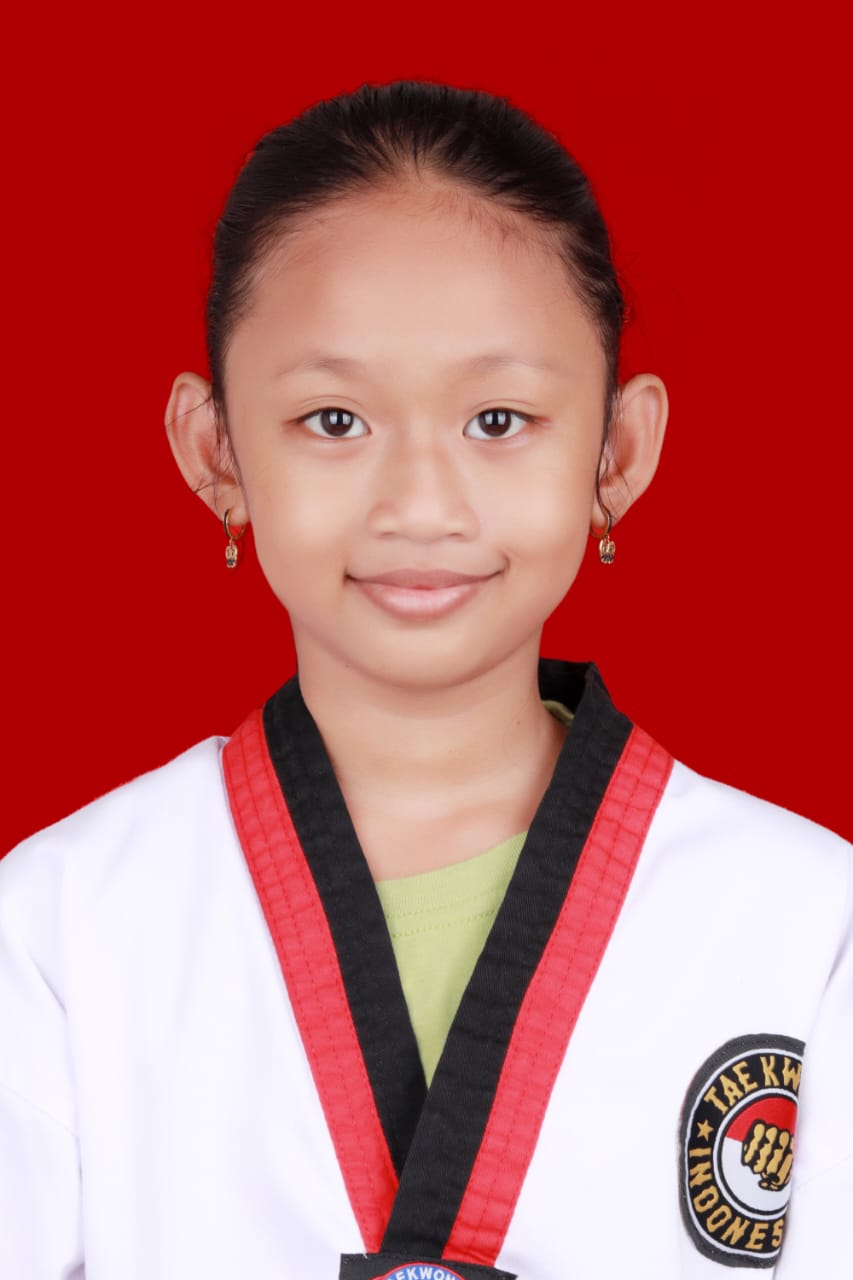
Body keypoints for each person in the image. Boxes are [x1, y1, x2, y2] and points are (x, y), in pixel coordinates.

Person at [0, 80, 850, 1280]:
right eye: (333, 420)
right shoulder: (55, 928)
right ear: (214, 451)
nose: (419, 504)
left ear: (617, 452)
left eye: (497, 420)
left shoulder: (810, 923)